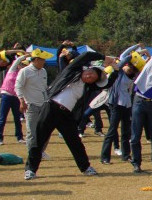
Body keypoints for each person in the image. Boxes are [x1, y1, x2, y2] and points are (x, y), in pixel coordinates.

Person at [24, 52, 115, 180]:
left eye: (93, 76)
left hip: (66, 115)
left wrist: (115, 70)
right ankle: (30, 170)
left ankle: (85, 167)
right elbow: (86, 55)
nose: (89, 75)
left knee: (75, 142)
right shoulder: (72, 71)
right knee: (38, 139)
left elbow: (107, 84)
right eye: (90, 72)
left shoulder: (88, 87)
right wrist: (104, 57)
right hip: (50, 108)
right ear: (86, 69)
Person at [100, 45, 142, 163]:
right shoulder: (117, 73)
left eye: (130, 67)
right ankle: (104, 157)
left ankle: (126, 155)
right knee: (112, 131)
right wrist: (136, 48)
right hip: (116, 104)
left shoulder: (132, 76)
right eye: (127, 66)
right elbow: (124, 56)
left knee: (126, 132)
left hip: (127, 105)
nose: (127, 67)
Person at [0, 52, 28, 145]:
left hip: (16, 97)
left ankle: (19, 137)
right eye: (22, 64)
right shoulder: (12, 70)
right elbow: (17, 61)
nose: (23, 66)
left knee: (17, 118)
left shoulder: (24, 75)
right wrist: (25, 56)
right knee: (3, 118)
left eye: (25, 65)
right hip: (6, 95)